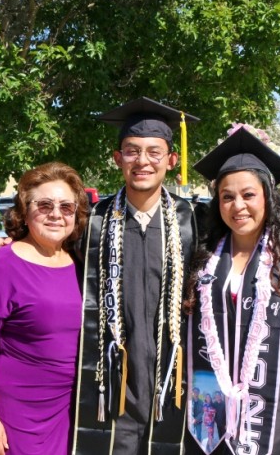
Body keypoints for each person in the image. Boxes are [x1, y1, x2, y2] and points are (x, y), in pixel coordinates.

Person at [72, 97, 199, 455]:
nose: (143, 161)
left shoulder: (194, 222)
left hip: (174, 384)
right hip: (112, 387)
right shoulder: (90, 223)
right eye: (131, 151)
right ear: (117, 158)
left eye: (154, 152)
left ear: (171, 160)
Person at [183, 124, 280, 455]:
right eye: (227, 197)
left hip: (276, 409)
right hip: (211, 415)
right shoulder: (203, 257)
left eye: (248, 195)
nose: (238, 205)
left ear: (268, 196)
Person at [0, 162, 89, 455]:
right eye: (44, 205)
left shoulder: (82, 263)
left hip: (73, 411)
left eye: (66, 207)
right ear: (24, 210)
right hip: (20, 414)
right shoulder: (2, 264)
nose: (56, 214)